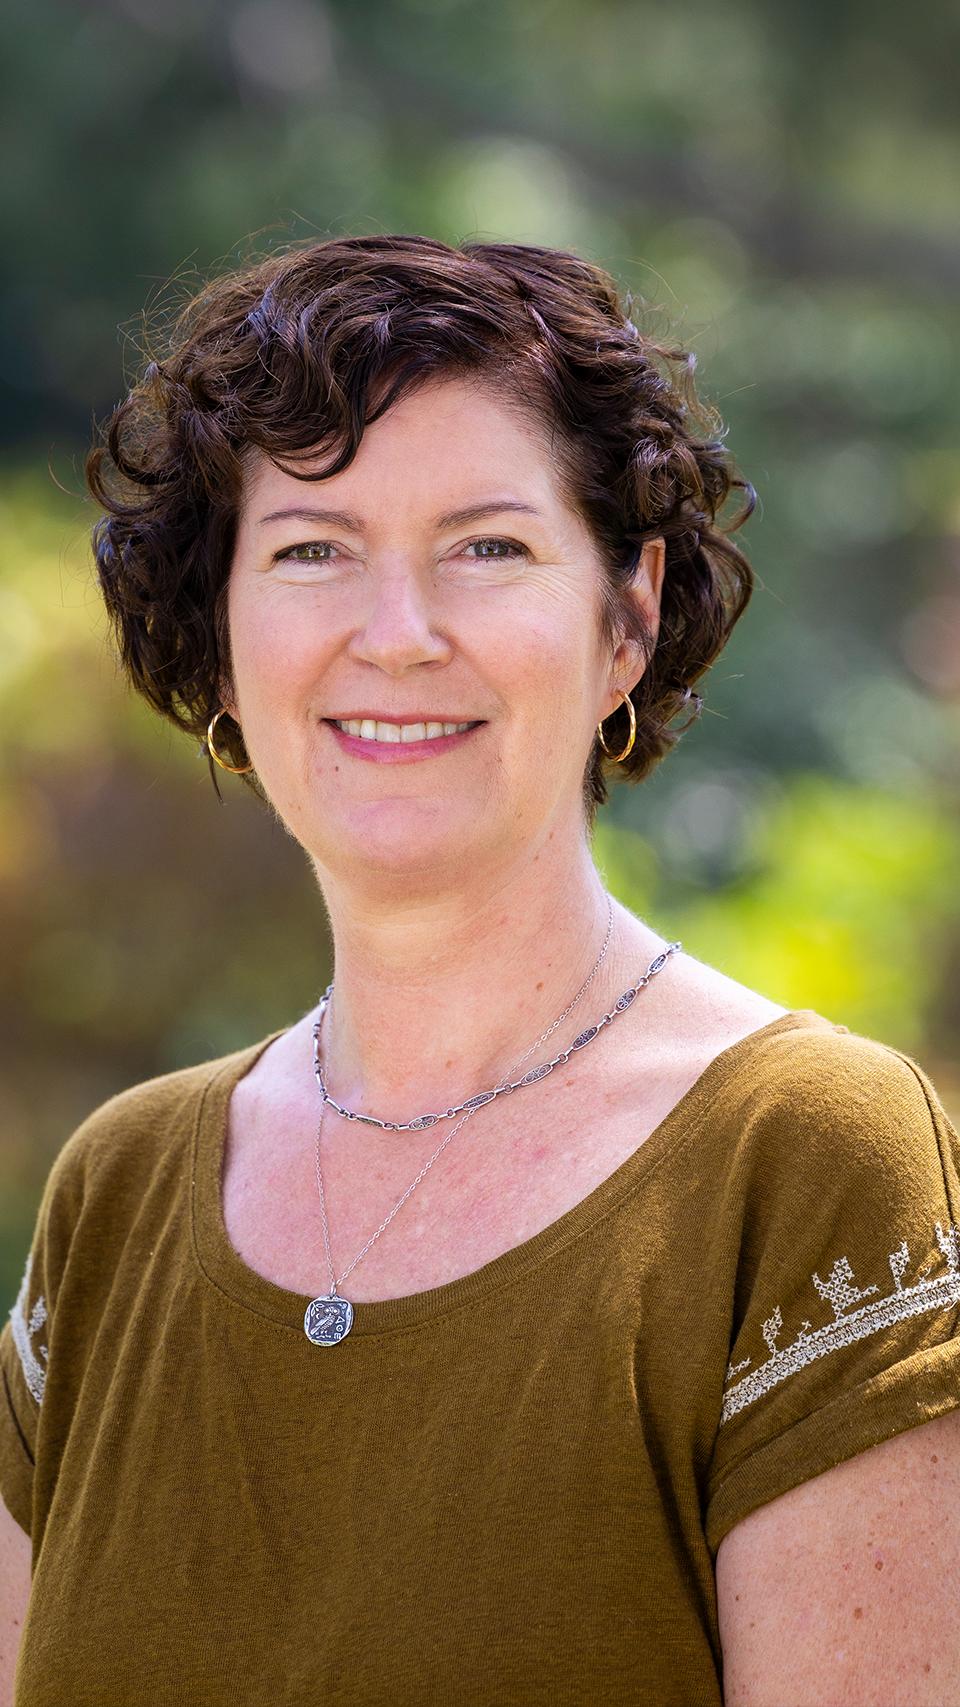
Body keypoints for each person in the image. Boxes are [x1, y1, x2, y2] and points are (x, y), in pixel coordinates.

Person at [1, 233, 958, 1707]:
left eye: (488, 547)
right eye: (313, 549)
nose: (397, 636)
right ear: (223, 622)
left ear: (625, 618)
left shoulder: (810, 1160)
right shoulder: (114, 1196)